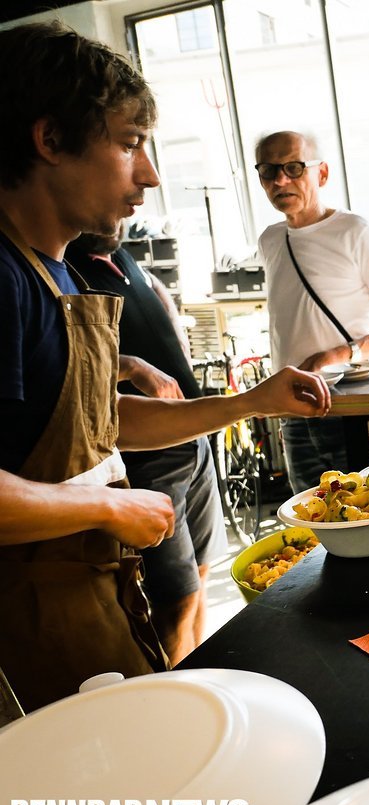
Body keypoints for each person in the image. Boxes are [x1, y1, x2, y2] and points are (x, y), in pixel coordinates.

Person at [0, 22, 331, 712]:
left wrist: (250, 402)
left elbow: (98, 426)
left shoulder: (54, 270)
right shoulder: (4, 277)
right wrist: (109, 504)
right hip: (38, 619)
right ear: (50, 140)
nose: (150, 175)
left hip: (96, 593)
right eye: (129, 145)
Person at [65, 228, 227, 665]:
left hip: (193, 440)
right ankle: (179, 705)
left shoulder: (124, 257)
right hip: (148, 452)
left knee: (202, 575)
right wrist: (131, 364)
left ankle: (203, 679)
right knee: (175, 597)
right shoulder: (65, 264)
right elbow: (72, 362)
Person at [254, 130, 369, 493]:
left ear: (322, 174)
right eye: (268, 170)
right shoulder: (269, 239)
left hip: (349, 402)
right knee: (310, 519)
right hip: (295, 407)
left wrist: (335, 355)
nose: (281, 179)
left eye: (294, 167)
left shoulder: (354, 231)